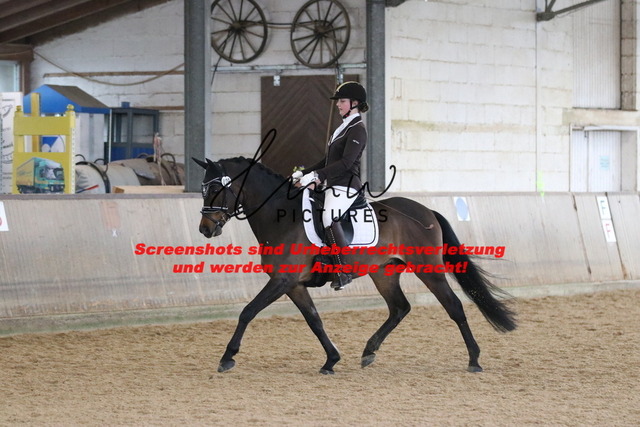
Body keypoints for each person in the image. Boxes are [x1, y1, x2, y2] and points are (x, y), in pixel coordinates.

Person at [292, 81, 369, 290]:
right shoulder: (343, 128)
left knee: (329, 217)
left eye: (342, 101)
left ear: (355, 103)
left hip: (347, 186)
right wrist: (304, 173)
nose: (338, 105)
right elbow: (327, 161)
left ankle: (344, 270)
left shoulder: (357, 130)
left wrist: (318, 175)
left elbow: (346, 163)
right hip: (333, 185)